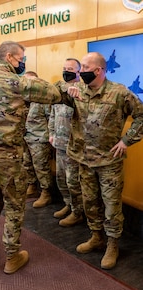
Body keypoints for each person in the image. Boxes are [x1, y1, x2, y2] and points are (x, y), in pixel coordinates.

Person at [0, 41, 61, 274]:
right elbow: (54, 94)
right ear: (9, 57)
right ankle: (12, 255)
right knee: (14, 204)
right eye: (21, 58)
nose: (23, 63)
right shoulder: (20, 83)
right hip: (9, 157)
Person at [65, 51, 143, 269]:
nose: (80, 73)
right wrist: (66, 90)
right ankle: (96, 236)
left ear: (98, 70)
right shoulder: (77, 89)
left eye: (85, 69)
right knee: (89, 202)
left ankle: (112, 244)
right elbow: (55, 92)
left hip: (109, 162)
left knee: (111, 206)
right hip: (84, 159)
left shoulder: (119, 93)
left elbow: (141, 115)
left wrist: (127, 140)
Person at [48, 58, 84, 226]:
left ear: (78, 72)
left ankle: (77, 212)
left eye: (70, 68)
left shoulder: (82, 92)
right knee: (61, 178)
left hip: (74, 146)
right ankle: (67, 204)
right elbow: (53, 114)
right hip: (59, 143)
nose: (66, 71)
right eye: (64, 68)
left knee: (73, 181)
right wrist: (51, 133)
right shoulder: (59, 91)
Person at [23, 71, 54, 207]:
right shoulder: (21, 100)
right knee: (26, 163)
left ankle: (46, 193)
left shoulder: (43, 100)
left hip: (39, 138)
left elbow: (50, 119)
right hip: (25, 137)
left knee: (41, 167)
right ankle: (32, 186)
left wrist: (51, 137)